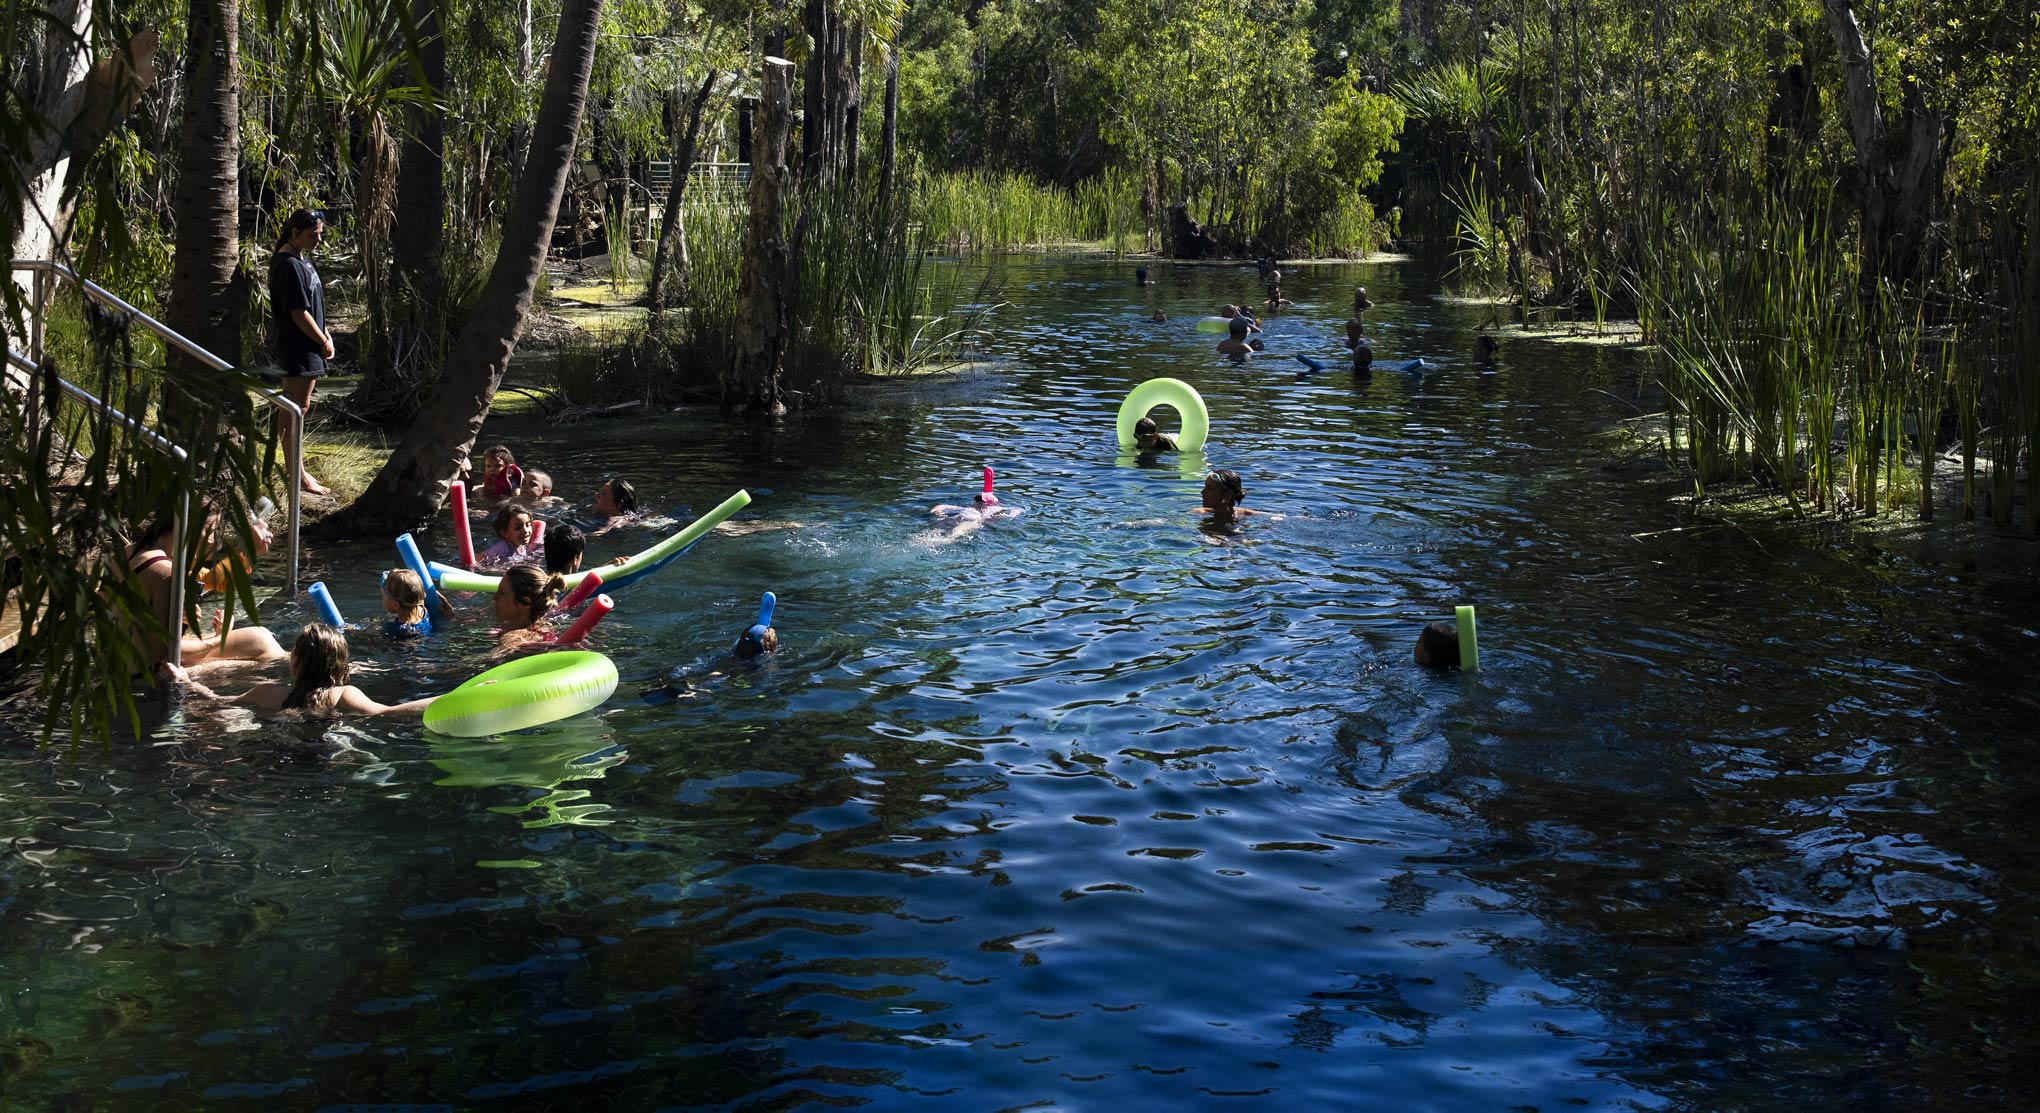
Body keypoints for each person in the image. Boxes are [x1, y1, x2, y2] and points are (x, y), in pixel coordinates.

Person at [126, 504, 288, 670]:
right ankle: (301, 676)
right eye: (210, 531)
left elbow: (211, 580)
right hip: (150, 673)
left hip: (121, 664)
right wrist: (219, 639)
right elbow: (166, 649)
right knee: (261, 641)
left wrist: (245, 552)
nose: (212, 541)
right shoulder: (165, 572)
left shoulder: (131, 551)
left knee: (260, 640)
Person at [158, 623, 438, 716]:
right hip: (324, 754)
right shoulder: (342, 696)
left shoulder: (266, 693)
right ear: (341, 664)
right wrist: (446, 700)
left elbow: (216, 701)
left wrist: (185, 681)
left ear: (294, 662)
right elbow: (389, 713)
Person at [268, 208, 335, 495]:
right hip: (299, 346)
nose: (318, 240)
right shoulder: (288, 264)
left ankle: (293, 470)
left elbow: (313, 304)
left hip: (308, 343)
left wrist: (326, 331)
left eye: (320, 234)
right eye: (312, 235)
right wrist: (322, 341)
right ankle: (298, 474)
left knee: (293, 406)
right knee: (297, 408)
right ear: (295, 232)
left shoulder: (301, 259)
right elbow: (298, 313)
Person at [495, 565, 565, 649]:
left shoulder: (512, 639)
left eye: (501, 593)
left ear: (525, 602)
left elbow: (490, 660)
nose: (494, 597)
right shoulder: (544, 628)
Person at [1198, 469, 1279, 525]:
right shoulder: (1199, 512)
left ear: (1227, 495)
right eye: (1205, 487)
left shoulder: (1247, 514)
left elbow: (1280, 517)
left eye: (1210, 488)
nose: (1203, 492)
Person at [380, 569, 432, 639]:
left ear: (395, 605)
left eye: (383, 597)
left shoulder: (393, 630)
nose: (382, 600)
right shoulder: (423, 610)